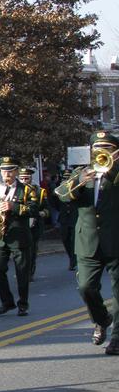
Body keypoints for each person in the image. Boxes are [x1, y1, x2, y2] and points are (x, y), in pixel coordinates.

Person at [55, 131, 119, 353]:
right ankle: (102, 319)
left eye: (107, 149)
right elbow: (62, 195)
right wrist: (80, 182)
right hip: (87, 242)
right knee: (86, 287)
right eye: (98, 149)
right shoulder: (81, 173)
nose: (102, 153)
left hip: (115, 241)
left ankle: (117, 339)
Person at [0, 156, 37, 316]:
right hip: (0, 237)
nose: (6, 173)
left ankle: (23, 304)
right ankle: (6, 302)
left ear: (16, 171)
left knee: (22, 272)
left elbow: (34, 210)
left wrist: (13, 206)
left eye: (10, 170)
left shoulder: (27, 189)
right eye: (3, 170)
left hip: (20, 236)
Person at [18, 167, 49, 283]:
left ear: (31, 178)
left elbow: (47, 209)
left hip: (34, 225)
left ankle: (29, 273)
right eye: (22, 178)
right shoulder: (15, 191)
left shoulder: (39, 191)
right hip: (20, 225)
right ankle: (22, 272)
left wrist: (42, 213)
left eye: (27, 178)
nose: (24, 181)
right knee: (20, 251)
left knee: (31, 250)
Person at [56, 169, 78, 271]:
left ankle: (73, 261)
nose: (66, 180)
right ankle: (71, 257)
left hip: (75, 218)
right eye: (64, 178)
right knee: (65, 239)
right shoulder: (59, 189)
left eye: (67, 178)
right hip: (64, 218)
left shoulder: (75, 187)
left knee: (74, 241)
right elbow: (54, 202)